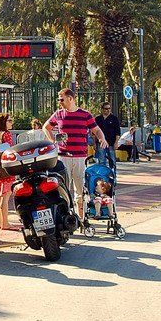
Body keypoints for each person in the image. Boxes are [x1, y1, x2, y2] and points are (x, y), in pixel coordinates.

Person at [44, 88, 107, 222]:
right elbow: (46, 127)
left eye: (61, 99)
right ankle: (65, 219)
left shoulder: (85, 115)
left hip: (80, 157)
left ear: (70, 98)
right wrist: (53, 140)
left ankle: (82, 218)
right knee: (63, 189)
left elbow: (96, 129)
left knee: (80, 189)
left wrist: (102, 139)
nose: (59, 102)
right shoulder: (58, 114)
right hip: (63, 156)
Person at [0, 113, 16, 230]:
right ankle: (5, 223)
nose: (12, 123)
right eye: (9, 121)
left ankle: (0, 221)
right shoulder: (7, 134)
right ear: (4, 122)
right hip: (6, 168)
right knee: (5, 196)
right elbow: (10, 150)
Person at [94, 102, 121, 166]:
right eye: (106, 109)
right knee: (101, 160)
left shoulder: (114, 118)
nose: (108, 110)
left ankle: (113, 174)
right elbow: (94, 132)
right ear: (102, 109)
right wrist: (94, 143)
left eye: (109, 108)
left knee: (112, 160)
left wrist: (116, 143)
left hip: (111, 143)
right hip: (100, 143)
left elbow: (117, 132)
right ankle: (103, 175)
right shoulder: (97, 119)